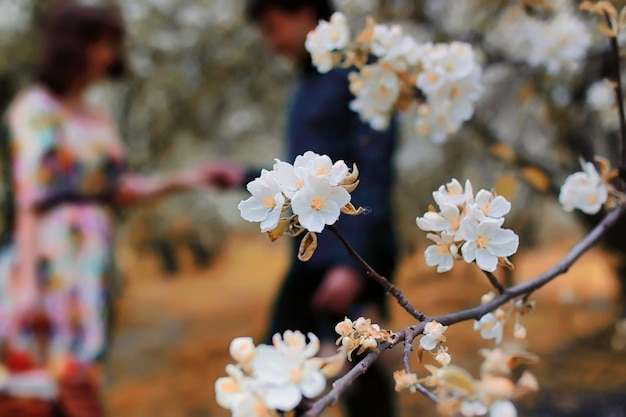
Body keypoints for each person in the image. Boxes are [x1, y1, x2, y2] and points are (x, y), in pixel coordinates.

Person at [0, 3, 241, 416]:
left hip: (91, 265)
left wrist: (186, 179)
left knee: (78, 380)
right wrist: (27, 289)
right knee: (39, 387)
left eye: (112, 44)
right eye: (100, 43)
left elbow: (118, 190)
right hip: (48, 261)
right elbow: (29, 200)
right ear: (72, 46)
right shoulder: (33, 109)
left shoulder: (96, 116)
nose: (109, 54)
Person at [244, 1, 398, 416]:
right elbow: (306, 176)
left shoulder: (360, 74)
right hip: (316, 251)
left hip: (350, 248)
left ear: (306, 12)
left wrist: (353, 265)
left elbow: (373, 169)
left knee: (356, 365)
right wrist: (245, 176)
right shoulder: (309, 83)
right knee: (322, 365)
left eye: (274, 28)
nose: (272, 43)